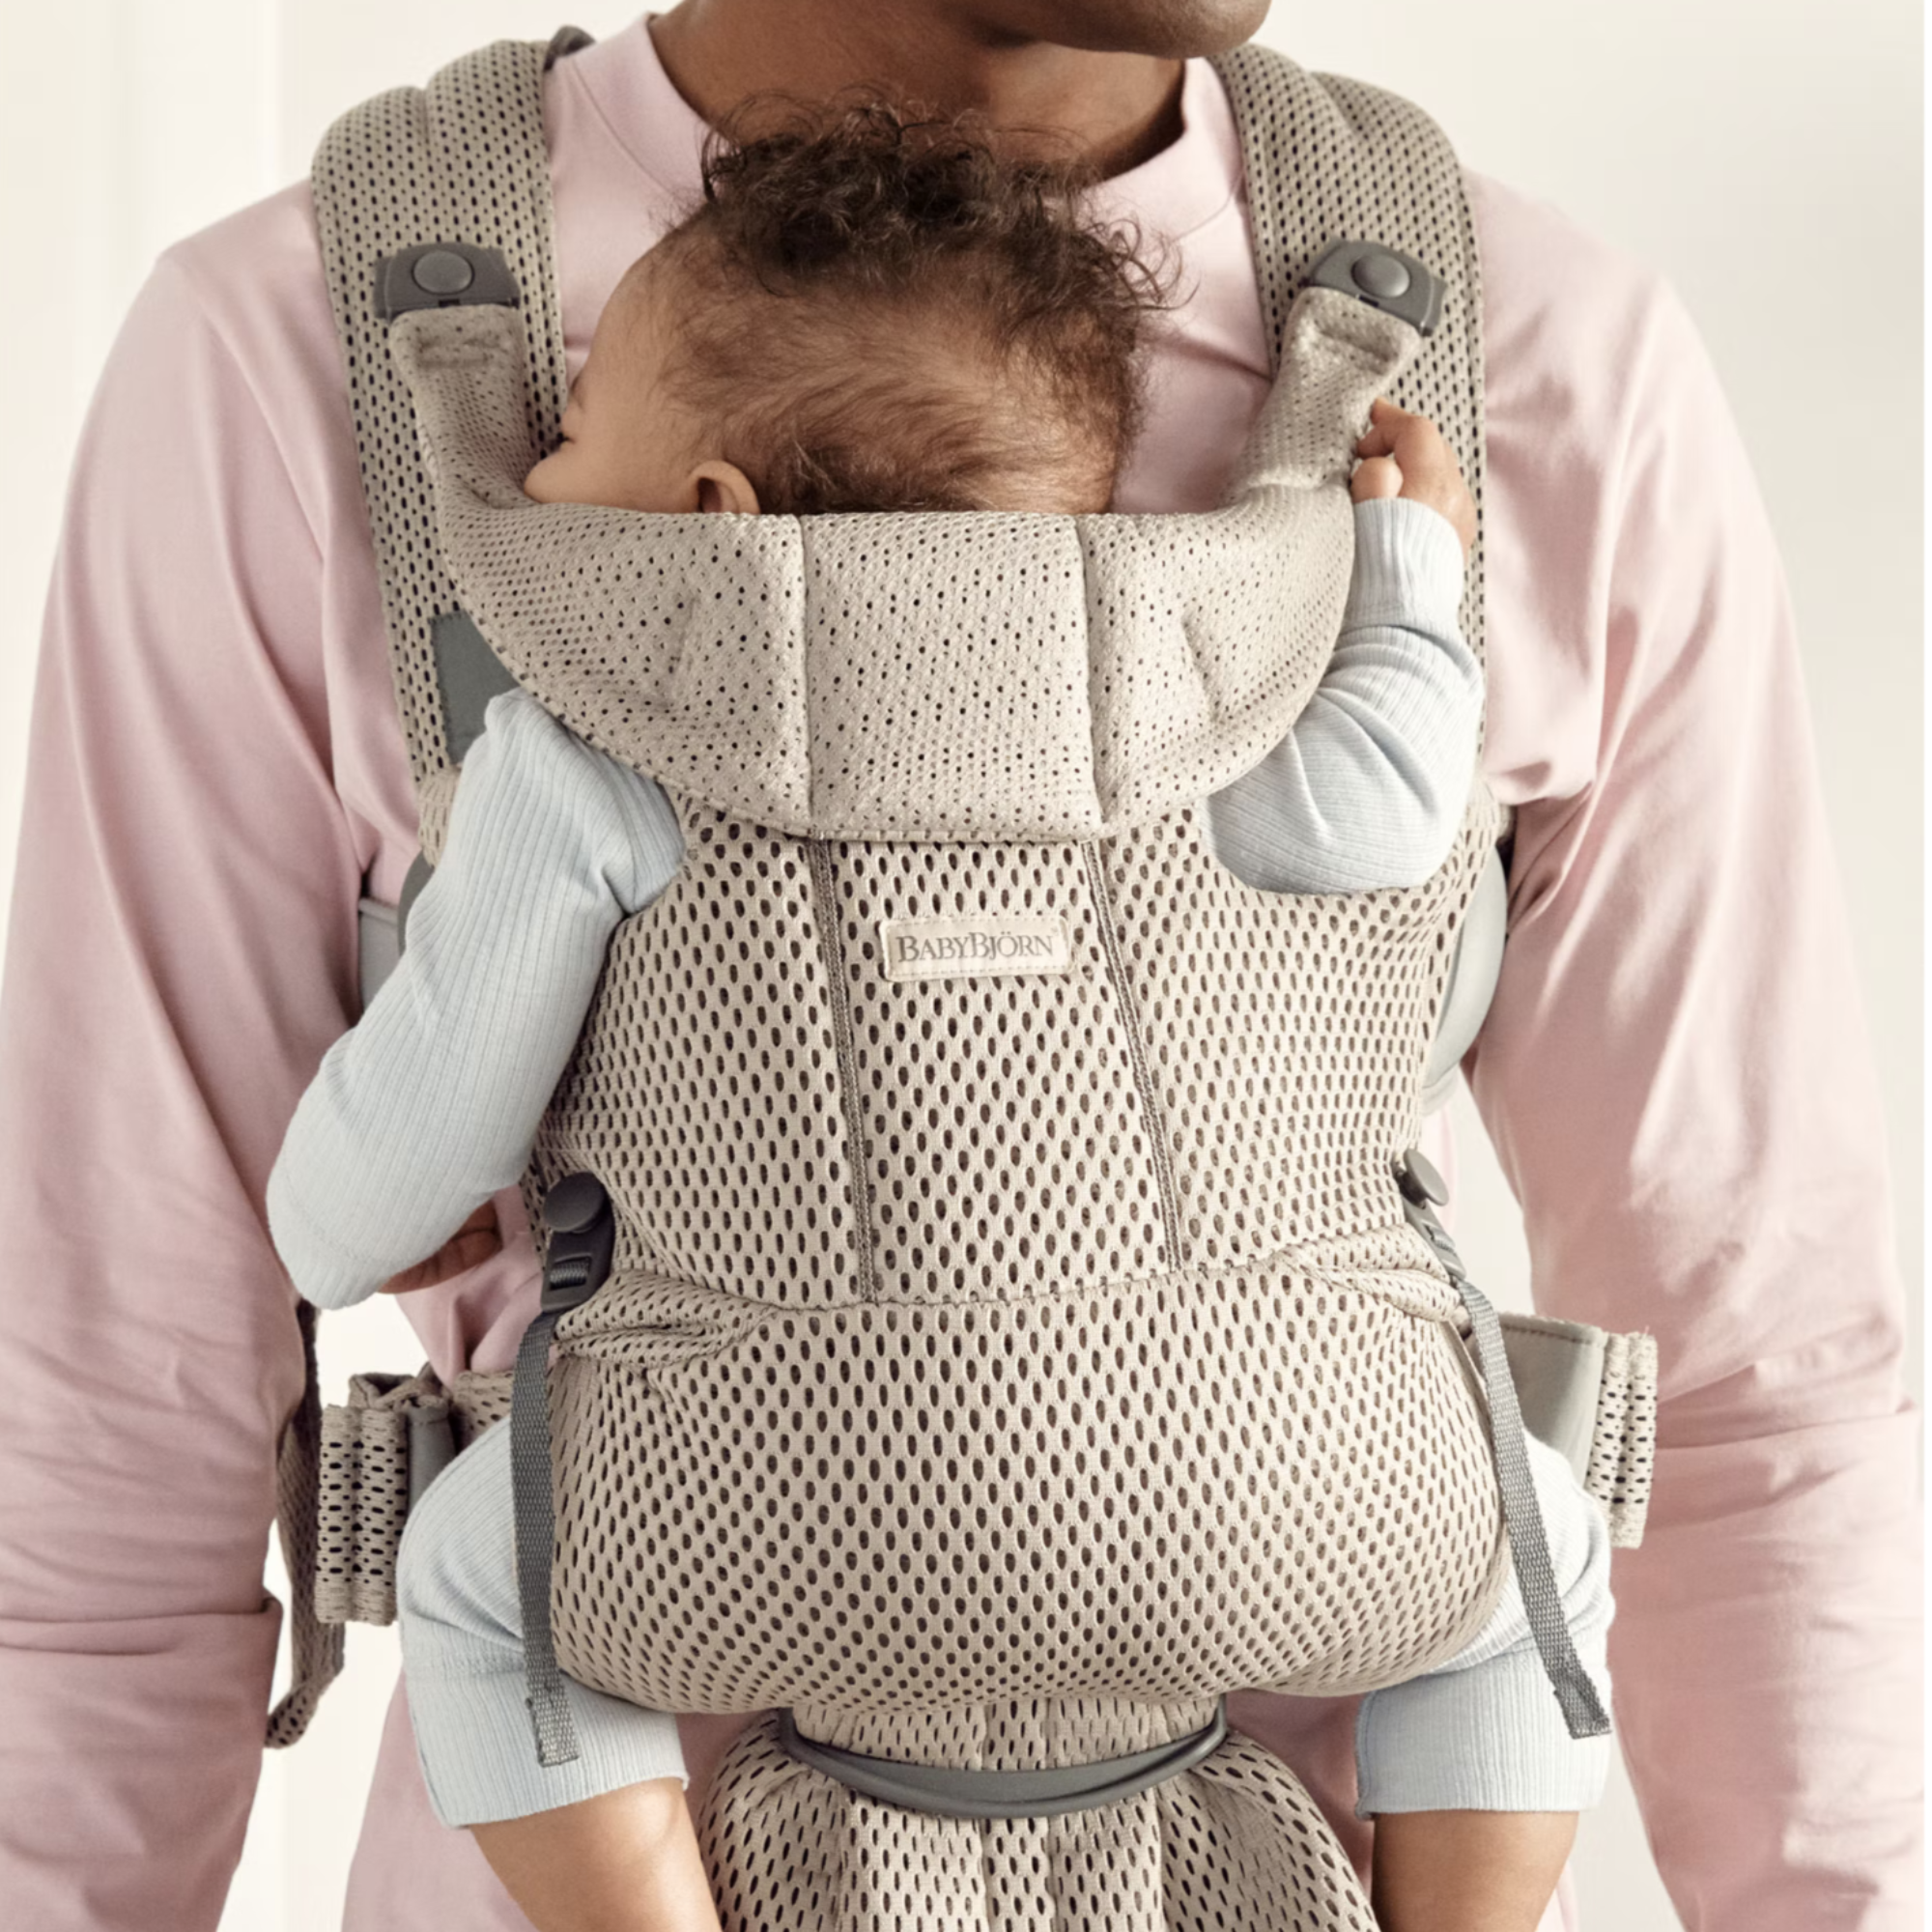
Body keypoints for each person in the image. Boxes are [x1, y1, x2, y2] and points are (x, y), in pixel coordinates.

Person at [0, 6, 1914, 1932]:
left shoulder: (1553, 361)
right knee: (1522, 1541)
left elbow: (1759, 1380)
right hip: (1328, 1605)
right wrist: (1403, 598)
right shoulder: (288, 363)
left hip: (674, 1580)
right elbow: (108, 1442)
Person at [262, 106, 1611, 1932]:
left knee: (471, 1588)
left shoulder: (578, 761)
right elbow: (1387, 814)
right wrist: (1405, 587)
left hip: (745, 1515)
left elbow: (379, 1182)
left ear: (709, 512)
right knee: (1536, 1553)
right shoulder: (1226, 704)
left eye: (573, 426)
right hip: (1285, 1503)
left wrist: (342, 1218)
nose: (542, 457)